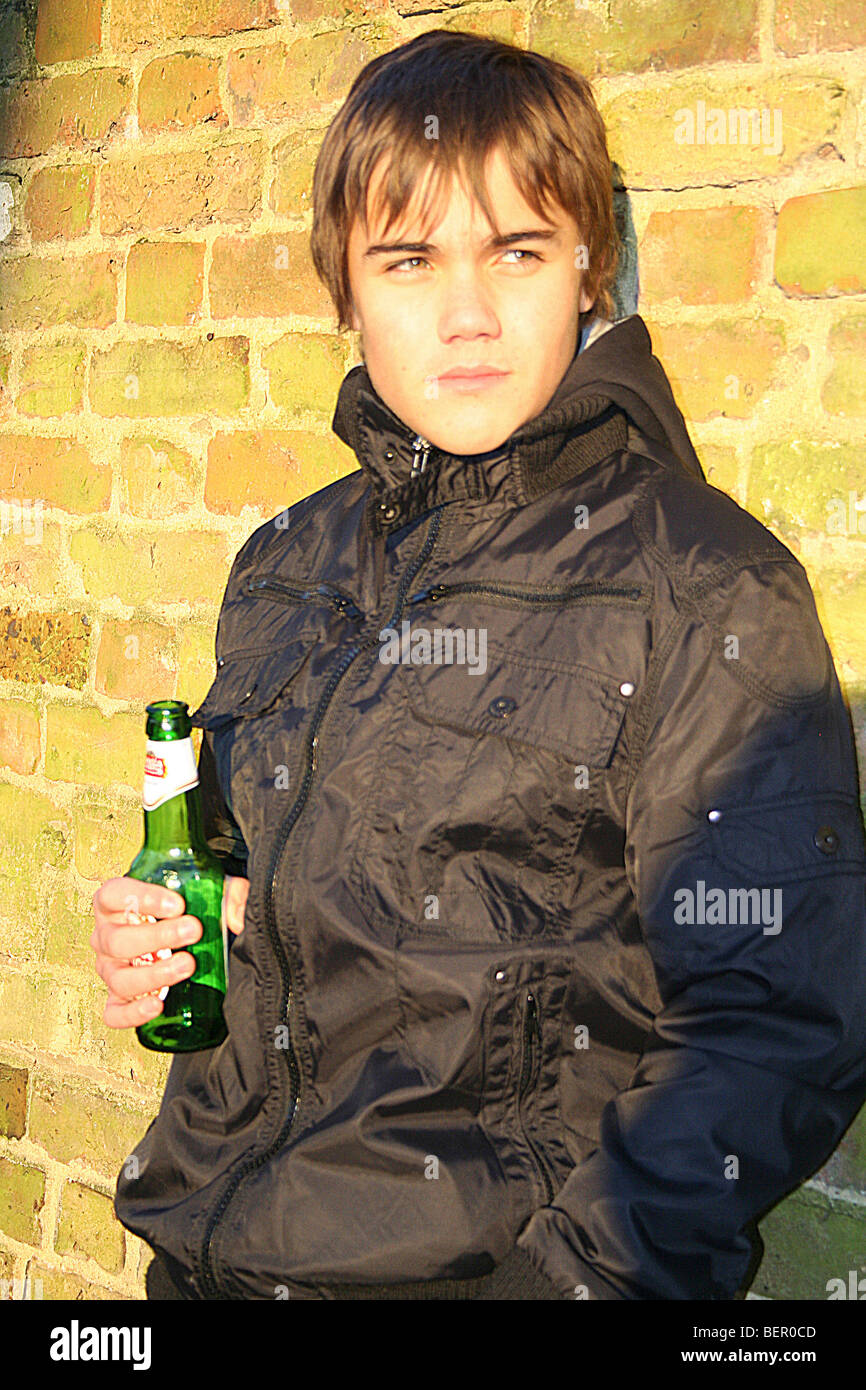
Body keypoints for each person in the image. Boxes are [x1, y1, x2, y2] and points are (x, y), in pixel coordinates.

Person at [91, 29, 866, 1301]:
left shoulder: (701, 582)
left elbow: (770, 1027)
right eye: (407, 261)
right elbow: (244, 890)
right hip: (198, 1261)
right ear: (345, 291)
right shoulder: (283, 560)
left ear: (585, 272)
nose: (465, 315)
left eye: (514, 250)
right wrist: (169, 940)